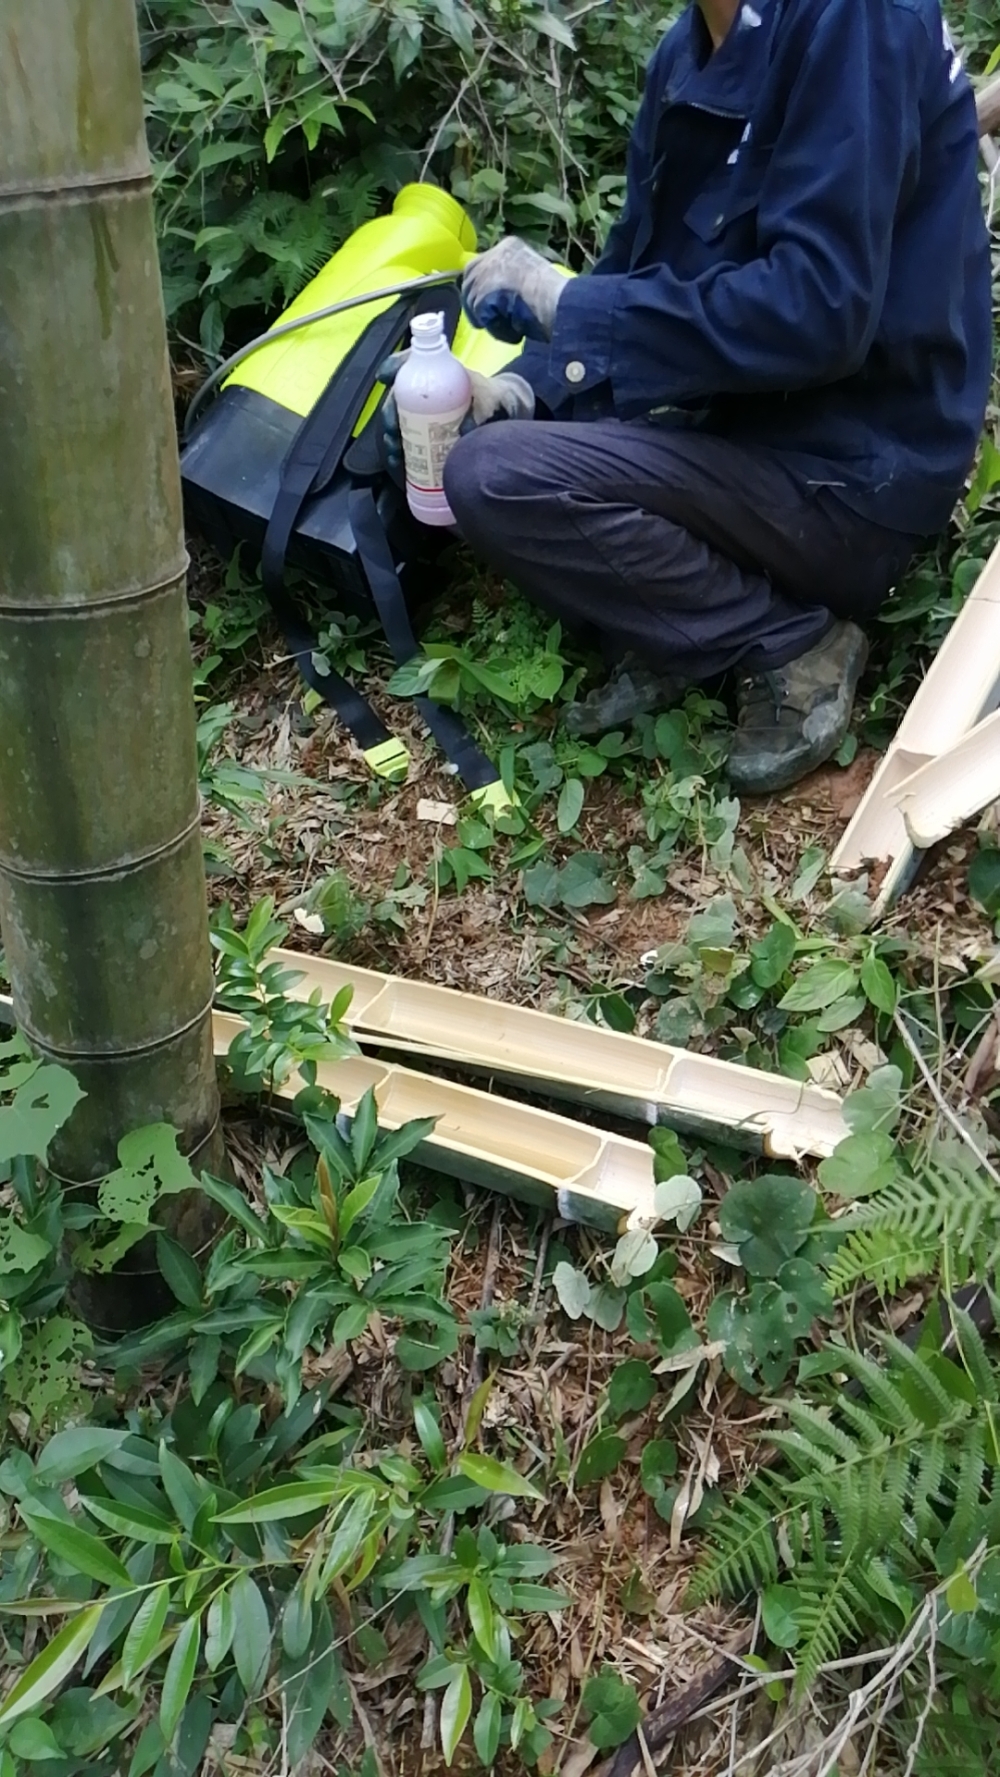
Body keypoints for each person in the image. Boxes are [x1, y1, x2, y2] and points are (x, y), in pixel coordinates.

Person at [393, 0, 992, 793]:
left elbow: (821, 313)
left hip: (857, 471)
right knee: (488, 458)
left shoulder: (855, 19)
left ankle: (790, 641)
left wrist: (566, 302)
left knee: (494, 477)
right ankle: (683, 628)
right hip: (744, 430)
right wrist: (522, 391)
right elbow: (636, 275)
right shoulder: (687, 52)